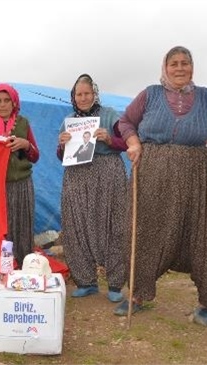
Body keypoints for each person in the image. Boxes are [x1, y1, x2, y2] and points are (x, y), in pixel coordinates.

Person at [114, 46, 207, 325]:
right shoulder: (149, 94)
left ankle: (206, 304)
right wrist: (134, 143)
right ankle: (137, 294)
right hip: (152, 171)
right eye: (174, 63)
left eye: (185, 63)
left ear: (192, 67)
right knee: (144, 230)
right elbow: (125, 122)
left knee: (202, 234)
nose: (180, 68)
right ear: (165, 67)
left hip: (198, 174)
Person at [57, 73, 129, 303]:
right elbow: (61, 156)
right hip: (77, 176)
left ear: (94, 94)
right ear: (73, 96)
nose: (83, 97)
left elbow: (126, 143)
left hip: (108, 174)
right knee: (77, 225)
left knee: (113, 224)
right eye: (79, 94)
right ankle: (86, 281)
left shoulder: (110, 116)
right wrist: (62, 144)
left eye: (87, 93)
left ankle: (116, 283)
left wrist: (110, 139)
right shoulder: (69, 120)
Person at [0, 83, 40, 268]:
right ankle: (0, 271)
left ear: (14, 103)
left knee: (22, 227)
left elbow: (35, 156)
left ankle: (24, 268)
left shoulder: (23, 123)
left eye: (7, 100)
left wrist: (26, 144)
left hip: (22, 184)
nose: (3, 105)